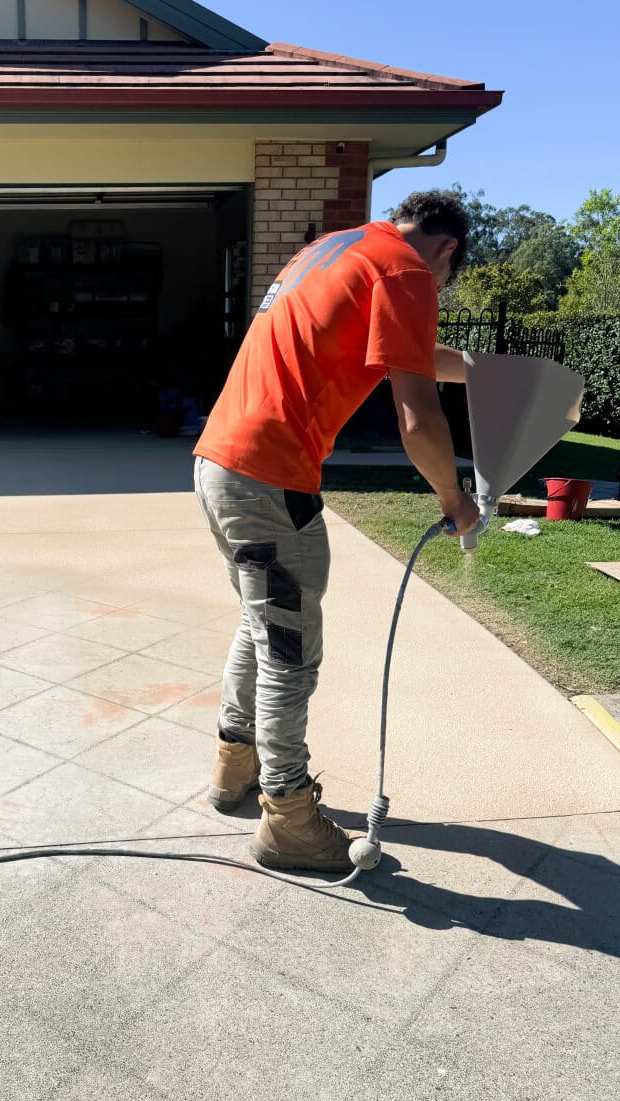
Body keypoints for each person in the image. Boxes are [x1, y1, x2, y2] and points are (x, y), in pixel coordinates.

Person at [192, 189, 480, 873]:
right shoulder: (409, 272)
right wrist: (454, 497)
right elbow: (418, 419)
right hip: (270, 478)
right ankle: (288, 818)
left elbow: (400, 351)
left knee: (260, 625)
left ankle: (235, 767)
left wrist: (484, 371)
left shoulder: (334, 250)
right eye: (448, 277)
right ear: (446, 249)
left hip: (220, 462)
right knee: (290, 654)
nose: (436, 288)